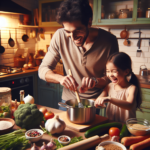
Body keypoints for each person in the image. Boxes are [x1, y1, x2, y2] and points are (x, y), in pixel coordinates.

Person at [38, 0, 119, 113]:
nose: (73, 37)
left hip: (94, 103)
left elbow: (114, 78)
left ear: (89, 22)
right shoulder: (59, 36)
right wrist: (61, 79)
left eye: (78, 30)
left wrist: (95, 81)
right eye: (68, 32)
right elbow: (42, 70)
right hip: (68, 102)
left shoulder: (110, 41)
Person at [94, 52, 142, 123]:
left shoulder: (132, 88)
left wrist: (109, 99)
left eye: (114, 71)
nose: (110, 75)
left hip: (127, 127)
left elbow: (129, 105)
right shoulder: (109, 86)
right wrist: (97, 102)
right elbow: (98, 101)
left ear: (126, 71)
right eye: (108, 71)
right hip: (111, 126)